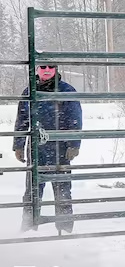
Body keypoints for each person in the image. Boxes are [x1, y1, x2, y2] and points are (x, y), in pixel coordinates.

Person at [13, 62, 83, 233]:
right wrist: (19, 144)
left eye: (50, 67)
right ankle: (29, 227)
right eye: (43, 67)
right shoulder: (29, 92)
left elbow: (75, 118)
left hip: (60, 147)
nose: (46, 70)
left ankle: (64, 228)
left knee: (62, 189)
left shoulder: (66, 91)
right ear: (37, 69)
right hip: (37, 147)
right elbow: (22, 119)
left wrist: (73, 143)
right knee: (32, 190)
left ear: (56, 70)